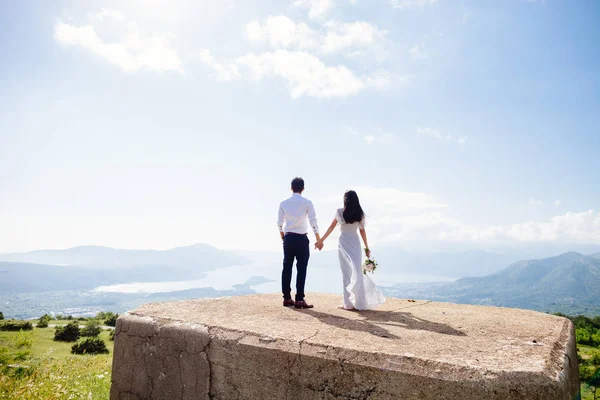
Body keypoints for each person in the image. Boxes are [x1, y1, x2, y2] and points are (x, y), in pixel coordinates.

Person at [315, 190, 385, 311]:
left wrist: (321, 240)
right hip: (355, 243)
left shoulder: (340, 212)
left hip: (343, 243)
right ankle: (358, 302)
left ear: (345, 200)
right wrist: (367, 247)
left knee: (346, 273)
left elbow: (331, 227)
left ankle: (348, 303)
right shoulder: (359, 214)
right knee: (357, 271)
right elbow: (362, 231)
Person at [277, 177, 322, 308]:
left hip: (288, 238)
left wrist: (283, 238)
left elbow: (279, 224)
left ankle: (286, 298)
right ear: (303, 189)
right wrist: (318, 239)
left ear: (291, 188)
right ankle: (300, 299)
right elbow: (313, 221)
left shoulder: (283, 203)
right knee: (301, 268)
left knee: (287, 267)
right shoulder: (307, 202)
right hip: (302, 239)